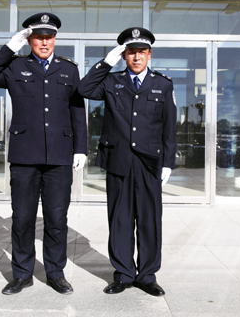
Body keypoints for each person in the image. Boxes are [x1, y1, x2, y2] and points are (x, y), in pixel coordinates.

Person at [0, 12, 87, 295]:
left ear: (55, 40)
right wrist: (10, 47)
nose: (44, 42)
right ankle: (22, 274)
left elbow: (77, 110)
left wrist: (81, 149)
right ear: (29, 40)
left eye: (49, 37)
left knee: (57, 219)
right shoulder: (15, 66)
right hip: (25, 155)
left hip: (59, 156)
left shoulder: (69, 69)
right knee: (23, 218)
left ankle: (55, 273)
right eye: (38, 37)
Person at [77, 27, 177, 297]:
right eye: (131, 52)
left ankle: (147, 276)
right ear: (124, 55)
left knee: (149, 220)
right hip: (118, 160)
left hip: (149, 163)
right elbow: (84, 88)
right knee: (120, 220)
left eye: (141, 52)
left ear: (149, 54)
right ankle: (123, 274)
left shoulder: (163, 84)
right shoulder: (111, 81)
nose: (136, 57)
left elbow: (169, 127)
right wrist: (106, 62)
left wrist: (168, 162)